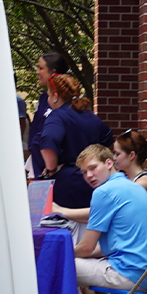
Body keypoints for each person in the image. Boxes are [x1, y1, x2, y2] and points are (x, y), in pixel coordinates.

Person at [72, 144, 147, 294]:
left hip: (130, 275)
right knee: (84, 266)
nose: (89, 175)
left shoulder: (103, 193)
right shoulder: (135, 186)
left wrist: (60, 253)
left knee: (54, 265)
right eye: (84, 172)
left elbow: (86, 247)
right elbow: (104, 248)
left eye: (93, 168)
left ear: (109, 163)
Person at [39, 74, 113, 214]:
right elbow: (108, 143)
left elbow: (48, 142)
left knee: (67, 231)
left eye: (48, 95)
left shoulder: (57, 116)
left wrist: (51, 169)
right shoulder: (91, 116)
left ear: (55, 96)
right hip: (94, 184)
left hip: (67, 186)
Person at [54, 130, 147, 221]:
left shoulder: (142, 183)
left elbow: (104, 210)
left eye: (117, 154)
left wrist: (62, 211)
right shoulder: (128, 180)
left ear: (131, 155)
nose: (114, 158)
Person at [28, 52, 70, 179]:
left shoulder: (68, 102)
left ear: (53, 73)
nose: (37, 72)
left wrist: (51, 165)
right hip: (38, 164)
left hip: (54, 169)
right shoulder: (42, 99)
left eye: (41, 68)